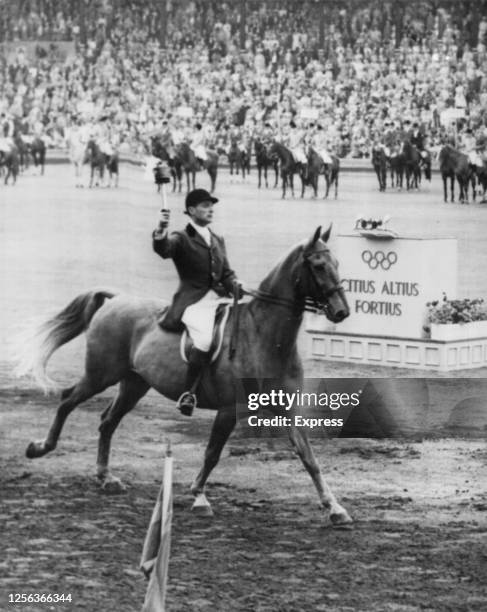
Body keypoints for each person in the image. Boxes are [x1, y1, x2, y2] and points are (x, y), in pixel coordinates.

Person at [152, 188, 241, 416]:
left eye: (211, 206)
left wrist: (237, 285)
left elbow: (226, 273)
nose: (210, 209)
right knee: (203, 339)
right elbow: (164, 250)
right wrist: (161, 229)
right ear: (191, 211)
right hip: (194, 302)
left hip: (220, 299)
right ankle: (188, 393)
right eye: (204, 206)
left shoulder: (218, 239)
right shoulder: (181, 238)